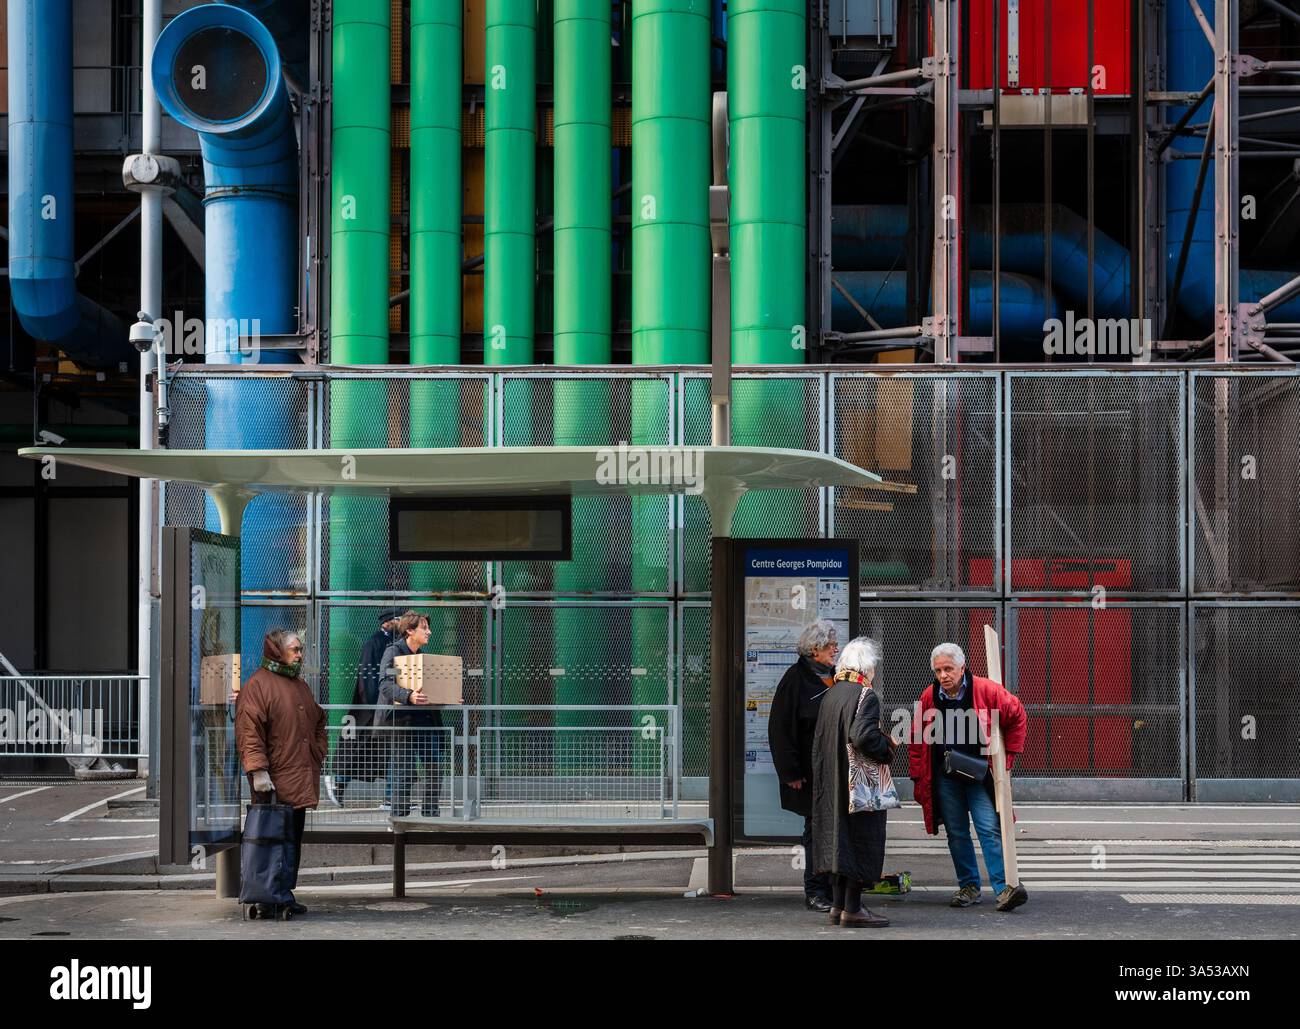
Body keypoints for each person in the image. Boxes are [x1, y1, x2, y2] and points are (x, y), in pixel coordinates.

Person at [907, 641, 1030, 913]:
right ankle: (969, 886)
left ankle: (1003, 888)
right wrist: (918, 778)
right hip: (946, 776)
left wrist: (1007, 758)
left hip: (978, 774)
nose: (943, 676)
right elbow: (917, 740)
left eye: (948, 669)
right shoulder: (930, 696)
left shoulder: (986, 690)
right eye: (938, 670)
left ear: (962, 667)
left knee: (988, 829)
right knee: (957, 833)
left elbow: (1017, 714)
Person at [234, 629, 326, 917]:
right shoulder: (258, 686)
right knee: (271, 840)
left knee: (290, 839)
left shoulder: (297, 685)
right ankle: (267, 896)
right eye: (295, 649)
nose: (300, 654)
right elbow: (250, 733)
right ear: (278, 651)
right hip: (273, 781)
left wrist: (318, 751)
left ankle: (283, 893)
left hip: (296, 776)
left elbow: (318, 720)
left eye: (300, 650)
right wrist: (259, 771)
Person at [809, 636, 895, 928]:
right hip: (858, 785)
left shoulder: (832, 694)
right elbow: (863, 736)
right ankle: (854, 908)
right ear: (867, 667)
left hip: (832, 781)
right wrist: (887, 748)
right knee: (861, 839)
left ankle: (838, 906)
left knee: (838, 841)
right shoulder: (865, 694)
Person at [767, 618, 839, 911]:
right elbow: (779, 729)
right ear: (813, 650)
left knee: (833, 830)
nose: (836, 648)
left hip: (835, 770)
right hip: (809, 773)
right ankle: (815, 890)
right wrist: (791, 773)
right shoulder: (794, 680)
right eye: (830, 644)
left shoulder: (836, 675)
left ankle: (833, 888)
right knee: (815, 829)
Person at [325, 607, 403, 808]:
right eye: (399, 619)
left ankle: (391, 798)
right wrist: (374, 705)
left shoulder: (393, 642)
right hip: (372, 708)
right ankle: (338, 784)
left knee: (390, 752)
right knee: (357, 749)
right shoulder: (374, 643)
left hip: (385, 707)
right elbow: (367, 677)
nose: (402, 623)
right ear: (387, 622)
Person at [376, 611, 443, 818]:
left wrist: (447, 696)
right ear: (410, 631)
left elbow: (431, 689)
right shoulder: (394, 652)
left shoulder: (424, 658)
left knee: (435, 769)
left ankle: (431, 815)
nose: (429, 632)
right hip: (401, 722)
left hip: (425, 720)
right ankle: (400, 818)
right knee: (403, 771)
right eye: (424, 628)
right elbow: (385, 684)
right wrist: (408, 696)